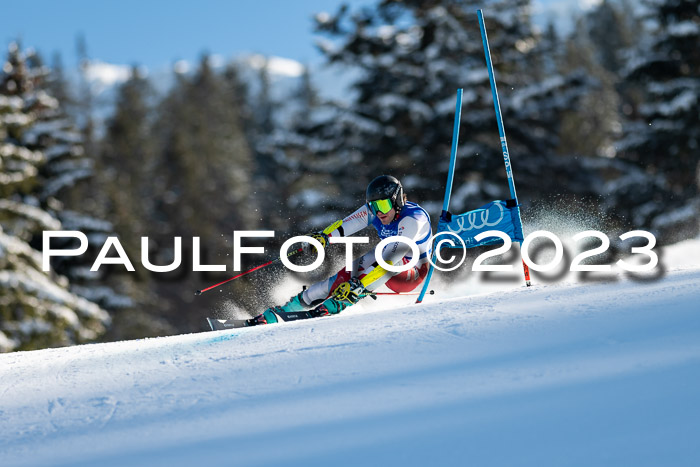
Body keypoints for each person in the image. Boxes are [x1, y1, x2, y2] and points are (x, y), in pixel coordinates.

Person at [249, 175, 432, 325]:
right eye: (373, 206)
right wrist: (324, 237)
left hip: (412, 273)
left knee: (379, 264)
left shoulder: (413, 219)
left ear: (397, 200)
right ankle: (287, 310)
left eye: (383, 205)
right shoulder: (375, 212)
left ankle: (338, 303)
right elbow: (349, 223)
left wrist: (359, 286)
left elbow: (390, 262)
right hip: (386, 260)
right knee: (344, 275)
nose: (378, 212)